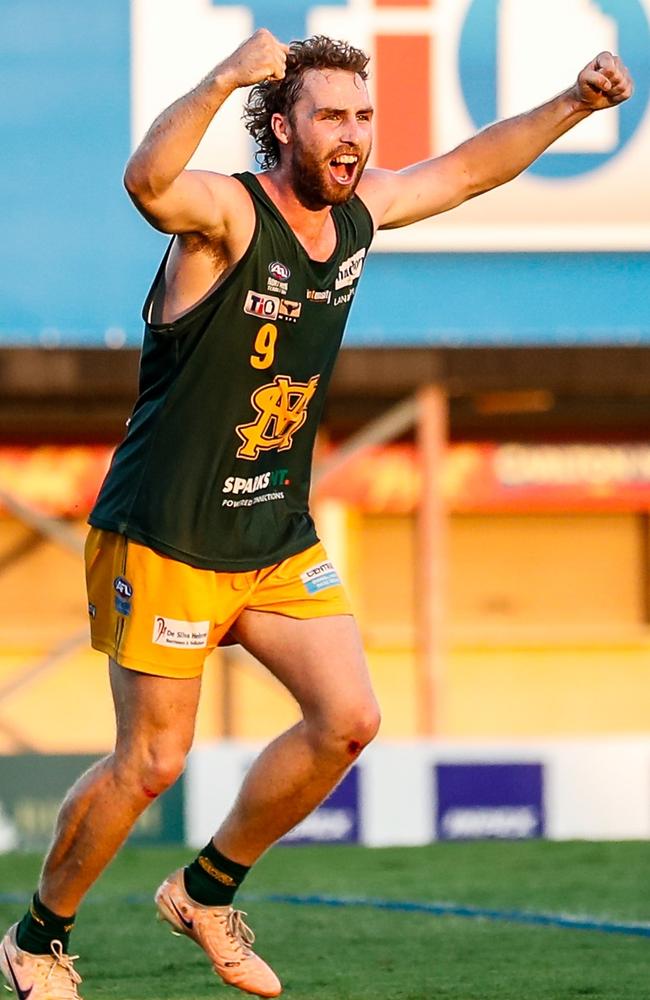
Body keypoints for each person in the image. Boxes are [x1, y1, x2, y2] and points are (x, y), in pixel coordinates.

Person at [1, 28, 632, 1000]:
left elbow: (463, 172)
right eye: (330, 115)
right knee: (151, 761)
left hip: (271, 526)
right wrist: (219, 76)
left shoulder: (360, 212)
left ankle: (203, 893)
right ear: (280, 123)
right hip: (167, 529)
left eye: (362, 116)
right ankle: (38, 938)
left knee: (347, 718)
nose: (351, 135)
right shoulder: (223, 214)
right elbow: (147, 182)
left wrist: (572, 105)